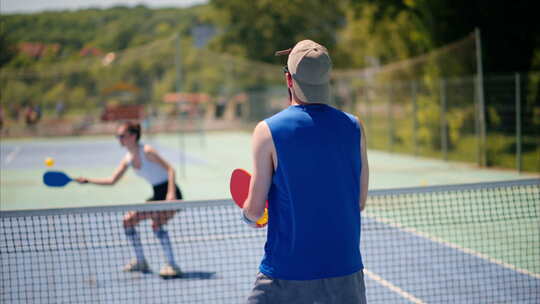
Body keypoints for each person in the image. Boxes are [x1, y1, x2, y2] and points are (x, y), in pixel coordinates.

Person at [242, 40, 369, 303]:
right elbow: (359, 201)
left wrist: (249, 216)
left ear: (289, 79)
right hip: (345, 271)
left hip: (287, 272)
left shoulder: (267, 131)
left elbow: (254, 211)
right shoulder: (355, 127)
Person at [75, 121, 183, 278]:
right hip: (156, 194)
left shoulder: (147, 151)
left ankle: (172, 265)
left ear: (133, 136)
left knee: (157, 224)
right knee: (128, 221)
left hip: (170, 193)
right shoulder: (128, 159)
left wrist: (171, 194)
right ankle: (141, 261)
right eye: (117, 136)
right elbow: (112, 180)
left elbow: (170, 169)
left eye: (121, 136)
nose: (119, 139)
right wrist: (88, 180)